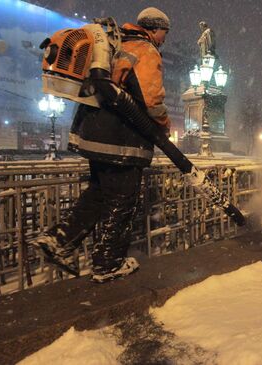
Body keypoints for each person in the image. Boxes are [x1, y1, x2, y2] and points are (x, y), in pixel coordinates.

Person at [32, 7, 172, 283]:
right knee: (122, 201)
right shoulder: (146, 50)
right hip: (122, 140)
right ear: (155, 29)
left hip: (94, 132)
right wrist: (164, 126)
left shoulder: (115, 45)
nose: (164, 39)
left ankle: (59, 239)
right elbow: (151, 99)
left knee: (98, 194)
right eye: (164, 33)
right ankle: (108, 263)